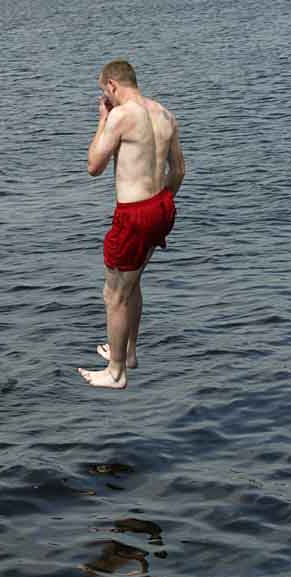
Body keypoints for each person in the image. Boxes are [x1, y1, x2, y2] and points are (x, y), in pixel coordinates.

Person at [78, 59, 185, 389]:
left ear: (112, 86)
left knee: (114, 294)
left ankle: (116, 371)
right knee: (132, 281)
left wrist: (102, 120)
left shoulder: (122, 116)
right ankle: (129, 351)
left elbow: (94, 165)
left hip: (134, 214)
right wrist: (159, 203)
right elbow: (178, 170)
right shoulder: (165, 114)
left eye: (104, 92)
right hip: (162, 207)